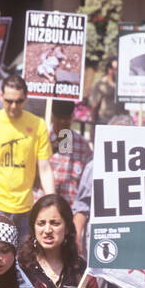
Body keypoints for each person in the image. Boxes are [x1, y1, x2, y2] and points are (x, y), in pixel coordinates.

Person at [0, 74, 56, 239]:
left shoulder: (37, 125)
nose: (13, 106)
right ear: (1, 96)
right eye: (9, 101)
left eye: (19, 101)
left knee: (22, 262)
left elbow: (45, 170)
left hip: (24, 208)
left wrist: (52, 205)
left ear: (26, 99)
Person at [47, 100, 93, 249]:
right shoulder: (42, 141)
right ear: (52, 117)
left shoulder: (82, 146)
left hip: (71, 217)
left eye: (66, 118)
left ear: (72, 117)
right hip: (44, 217)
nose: (62, 122)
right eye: (58, 118)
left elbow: (87, 187)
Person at [88, 57, 120, 129]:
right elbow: (94, 106)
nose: (117, 71)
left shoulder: (122, 84)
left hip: (120, 123)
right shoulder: (101, 84)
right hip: (105, 122)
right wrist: (93, 127)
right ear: (109, 69)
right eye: (115, 69)